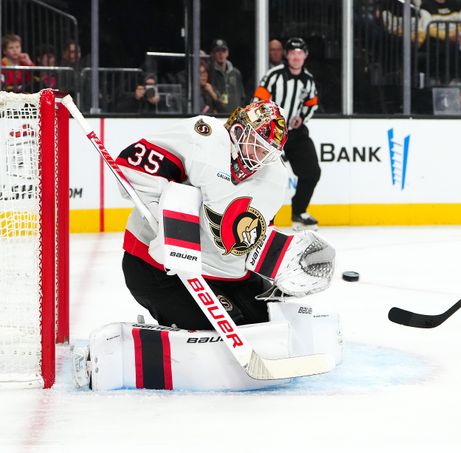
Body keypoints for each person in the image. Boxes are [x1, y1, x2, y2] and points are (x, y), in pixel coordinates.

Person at [75, 100, 339, 390]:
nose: (260, 154)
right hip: (157, 270)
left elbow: (253, 239)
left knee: (266, 326)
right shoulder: (202, 137)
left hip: (226, 276)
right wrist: (168, 213)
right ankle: (126, 352)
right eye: (256, 143)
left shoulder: (273, 178)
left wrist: (286, 266)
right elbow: (130, 165)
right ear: (238, 129)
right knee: (213, 332)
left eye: (268, 150)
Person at [253, 37, 322, 231]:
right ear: (287, 55)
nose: (296, 57)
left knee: (312, 172)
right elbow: (258, 100)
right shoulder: (274, 75)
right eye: (292, 53)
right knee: (265, 177)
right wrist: (269, 126)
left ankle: (299, 213)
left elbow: (312, 103)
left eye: (300, 53)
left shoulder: (308, 80)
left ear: (305, 56)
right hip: (272, 135)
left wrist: (302, 117)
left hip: (296, 134)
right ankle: (261, 216)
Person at [209, 39, 245, 115]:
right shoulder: (210, 73)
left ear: (227, 53)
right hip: (218, 116)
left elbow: (242, 96)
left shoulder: (236, 73)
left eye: (223, 51)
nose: (221, 54)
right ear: (212, 54)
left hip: (235, 116)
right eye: (217, 51)